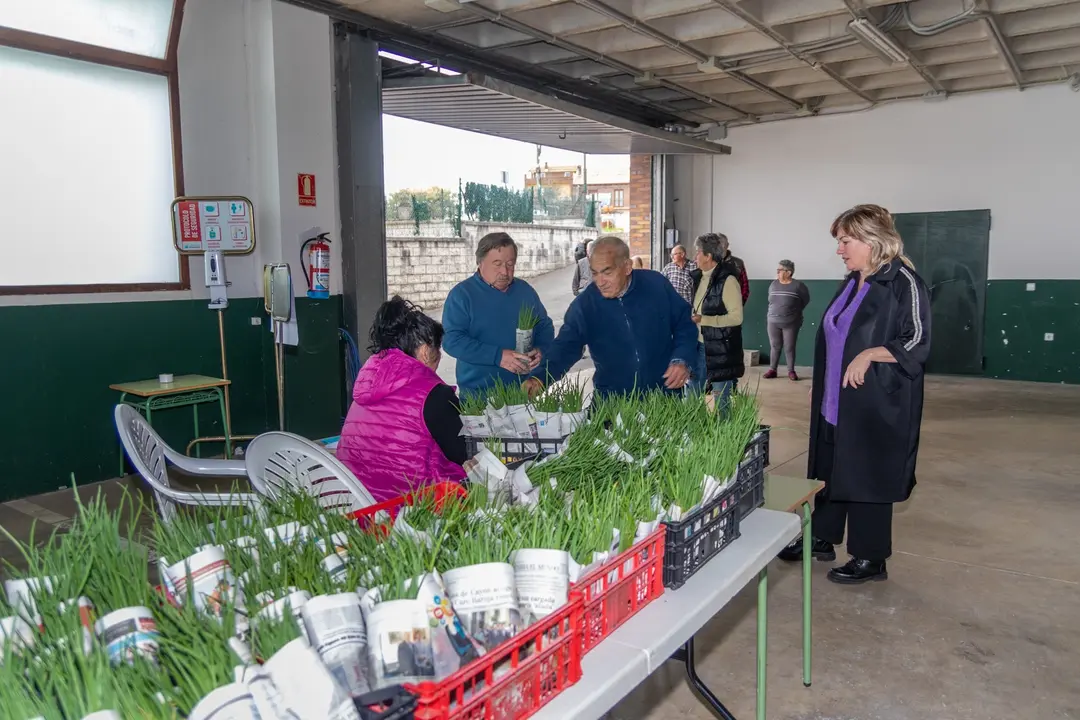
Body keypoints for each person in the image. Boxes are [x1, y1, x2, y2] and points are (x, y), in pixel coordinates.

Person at [778, 204, 931, 584]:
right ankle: (822, 538)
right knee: (829, 470)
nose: (839, 250)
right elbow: (836, 335)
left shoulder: (903, 282)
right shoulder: (852, 281)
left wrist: (870, 354)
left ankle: (870, 556)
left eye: (845, 241)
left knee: (867, 476)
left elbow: (917, 340)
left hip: (876, 401)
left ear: (871, 240)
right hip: (837, 397)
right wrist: (826, 378)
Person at [523, 236, 697, 398]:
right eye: (595, 273)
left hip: (664, 396)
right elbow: (564, 347)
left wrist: (682, 359)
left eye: (607, 272)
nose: (600, 281)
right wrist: (540, 378)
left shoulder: (656, 285)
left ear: (627, 267)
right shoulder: (585, 305)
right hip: (611, 401)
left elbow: (684, 325)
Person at [337, 297, 467, 503]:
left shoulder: (365, 386)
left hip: (359, 506)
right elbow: (463, 453)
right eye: (438, 350)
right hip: (412, 512)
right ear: (425, 351)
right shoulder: (435, 395)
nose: (440, 357)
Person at [442, 232, 554, 395]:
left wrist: (541, 349)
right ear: (480, 263)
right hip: (478, 394)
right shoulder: (462, 295)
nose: (505, 271)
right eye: (497, 263)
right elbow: (452, 341)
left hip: (522, 391)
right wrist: (497, 356)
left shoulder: (525, 291)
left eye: (510, 264)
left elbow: (544, 326)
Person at [688, 233, 744, 402]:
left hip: (721, 349)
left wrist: (704, 320)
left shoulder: (728, 281)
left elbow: (736, 318)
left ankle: (723, 429)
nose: (695, 256)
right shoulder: (698, 278)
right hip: (698, 345)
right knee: (691, 396)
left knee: (721, 401)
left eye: (698, 252)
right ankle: (693, 429)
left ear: (708, 256)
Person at [765, 259, 811, 381]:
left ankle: (791, 371)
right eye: (777, 270)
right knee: (775, 346)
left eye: (780, 270)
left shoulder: (798, 286)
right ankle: (772, 369)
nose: (777, 272)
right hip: (772, 321)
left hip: (791, 322)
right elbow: (771, 301)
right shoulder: (773, 284)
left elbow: (805, 300)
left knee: (789, 347)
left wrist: (794, 311)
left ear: (789, 272)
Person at [718, 233, 751, 305]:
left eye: (723, 244)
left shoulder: (738, 263)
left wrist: (739, 303)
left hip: (733, 306)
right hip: (711, 308)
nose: (721, 247)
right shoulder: (709, 262)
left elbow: (745, 287)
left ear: (727, 245)